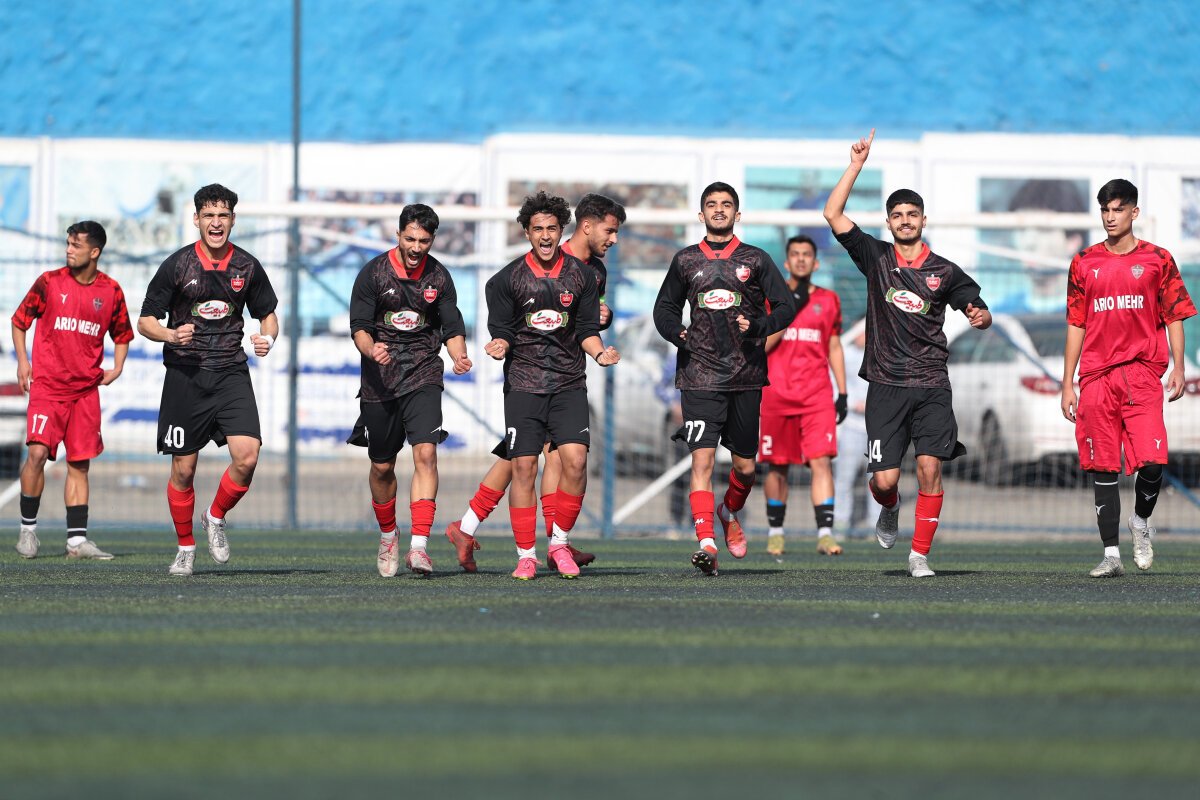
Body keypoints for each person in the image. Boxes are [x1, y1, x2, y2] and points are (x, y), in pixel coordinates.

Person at [824, 130, 992, 578]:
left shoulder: (945, 271)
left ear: (923, 219)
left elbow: (978, 308)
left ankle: (919, 555)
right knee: (885, 481)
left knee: (930, 469)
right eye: (897, 215)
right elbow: (832, 213)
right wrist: (856, 166)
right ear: (889, 222)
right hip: (886, 386)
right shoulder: (876, 258)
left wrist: (981, 316)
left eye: (911, 214)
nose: (905, 221)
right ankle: (890, 505)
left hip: (932, 384)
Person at [445, 193, 625, 572]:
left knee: (542, 460)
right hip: (528, 380)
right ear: (585, 227)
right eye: (609, 231)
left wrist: (600, 330)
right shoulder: (524, 273)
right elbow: (512, 324)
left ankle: (482, 529)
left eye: (551, 228)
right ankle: (544, 547)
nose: (613, 239)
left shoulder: (592, 272)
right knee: (531, 462)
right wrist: (502, 341)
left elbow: (586, 323)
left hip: (564, 378)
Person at [653, 182, 796, 576]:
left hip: (746, 376)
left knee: (746, 469)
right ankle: (707, 544)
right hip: (698, 376)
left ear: (737, 213)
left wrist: (760, 327)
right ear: (701, 215)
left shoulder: (757, 259)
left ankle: (729, 511)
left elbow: (786, 307)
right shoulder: (685, 260)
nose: (719, 210)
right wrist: (677, 333)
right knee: (701, 461)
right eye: (712, 204)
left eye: (726, 204)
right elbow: (664, 309)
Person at [138, 184, 279, 577]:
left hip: (231, 372)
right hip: (186, 375)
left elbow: (268, 316)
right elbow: (145, 321)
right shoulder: (177, 265)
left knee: (247, 456)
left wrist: (268, 338)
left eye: (223, 216)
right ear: (196, 219)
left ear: (233, 220)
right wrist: (170, 334)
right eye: (209, 215)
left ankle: (215, 516)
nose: (216, 223)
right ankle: (186, 548)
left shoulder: (247, 266)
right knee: (184, 470)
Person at [1060, 178, 1196, 578]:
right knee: (1103, 467)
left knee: (1152, 463)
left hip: (1141, 374)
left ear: (1134, 213)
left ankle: (1140, 522)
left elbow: (1174, 314)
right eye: (1105, 210)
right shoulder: (1084, 261)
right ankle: (1111, 555)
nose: (1110, 217)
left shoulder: (1158, 259)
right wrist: (1068, 383)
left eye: (1118, 209)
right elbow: (1076, 323)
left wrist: (1179, 366)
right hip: (1097, 377)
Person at [347, 204, 471, 577]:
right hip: (380, 381)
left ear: (432, 240)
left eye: (424, 241)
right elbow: (359, 327)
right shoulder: (373, 274)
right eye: (410, 239)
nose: (417, 247)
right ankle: (389, 534)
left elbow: (452, 326)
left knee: (426, 455)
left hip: (423, 374)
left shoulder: (439, 276)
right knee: (382, 466)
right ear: (398, 235)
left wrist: (459, 355)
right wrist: (372, 349)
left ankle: (419, 547)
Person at [12, 221, 133, 560]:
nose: (68, 250)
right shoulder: (49, 282)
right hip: (48, 389)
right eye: (67, 243)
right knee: (37, 454)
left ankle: (77, 542)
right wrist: (23, 362)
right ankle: (28, 530)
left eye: (75, 245)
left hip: (85, 393)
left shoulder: (111, 290)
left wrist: (118, 367)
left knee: (79, 464)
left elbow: (122, 334)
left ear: (94, 252)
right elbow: (19, 321)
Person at [758, 234, 848, 557]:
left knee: (821, 461)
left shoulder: (829, 300)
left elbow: (834, 345)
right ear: (786, 261)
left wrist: (843, 391)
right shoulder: (770, 299)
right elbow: (761, 345)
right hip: (776, 394)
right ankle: (775, 533)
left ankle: (825, 534)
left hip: (816, 396)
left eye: (806, 254)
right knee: (777, 467)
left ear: (816, 262)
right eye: (795, 254)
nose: (800, 259)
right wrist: (786, 312)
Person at [832, 321, 880, 533]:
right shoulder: (845, 355)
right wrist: (853, 404)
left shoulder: (881, 355)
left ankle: (876, 524)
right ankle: (840, 522)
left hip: (877, 429)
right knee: (844, 478)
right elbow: (834, 385)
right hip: (852, 426)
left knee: (879, 480)